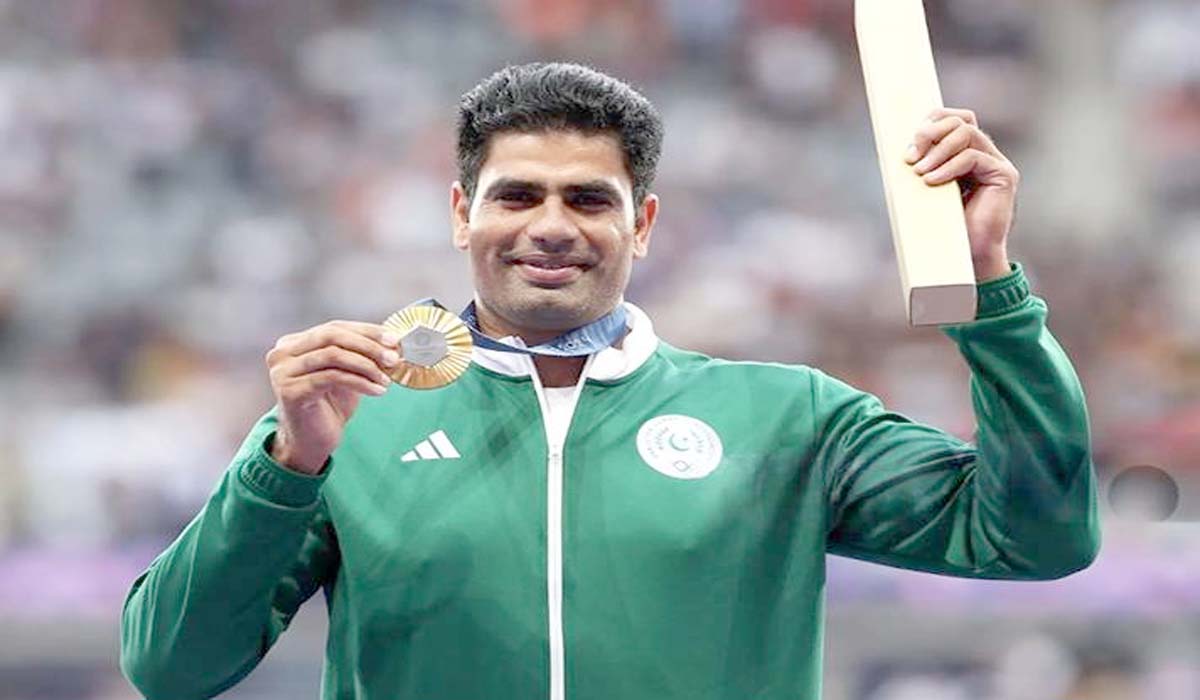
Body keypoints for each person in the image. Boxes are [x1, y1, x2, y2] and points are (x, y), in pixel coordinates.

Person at [119, 62, 1100, 700]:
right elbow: (171, 666)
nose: (551, 226)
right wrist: (285, 465)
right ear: (461, 214)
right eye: (517, 195)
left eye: (589, 199)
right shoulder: (350, 418)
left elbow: (1037, 538)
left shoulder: (787, 417)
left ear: (644, 224)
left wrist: (992, 292)